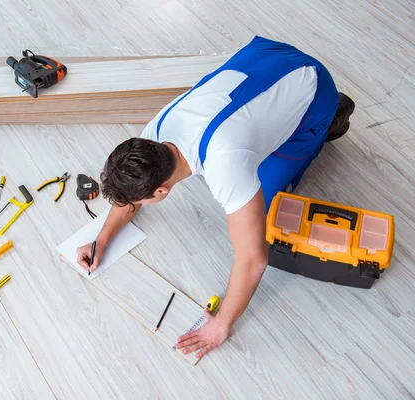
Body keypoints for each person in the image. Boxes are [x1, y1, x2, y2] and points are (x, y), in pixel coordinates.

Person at [76, 36, 355, 359]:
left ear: (161, 191)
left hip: (311, 80)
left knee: (267, 202)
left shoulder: (227, 164)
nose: (132, 205)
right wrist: (104, 237)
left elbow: (253, 260)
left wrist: (221, 323)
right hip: (264, 57)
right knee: (249, 180)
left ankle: (332, 114)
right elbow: (131, 197)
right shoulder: (153, 135)